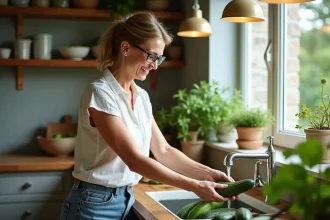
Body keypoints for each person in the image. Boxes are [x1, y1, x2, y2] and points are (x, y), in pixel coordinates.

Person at [60, 11, 236, 220]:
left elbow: (163, 150)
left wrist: (206, 173)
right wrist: (195, 186)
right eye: (151, 56)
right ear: (125, 48)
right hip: (93, 204)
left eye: (158, 58)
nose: (154, 65)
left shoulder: (141, 96)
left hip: (126, 198)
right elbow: (134, 160)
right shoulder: (100, 94)